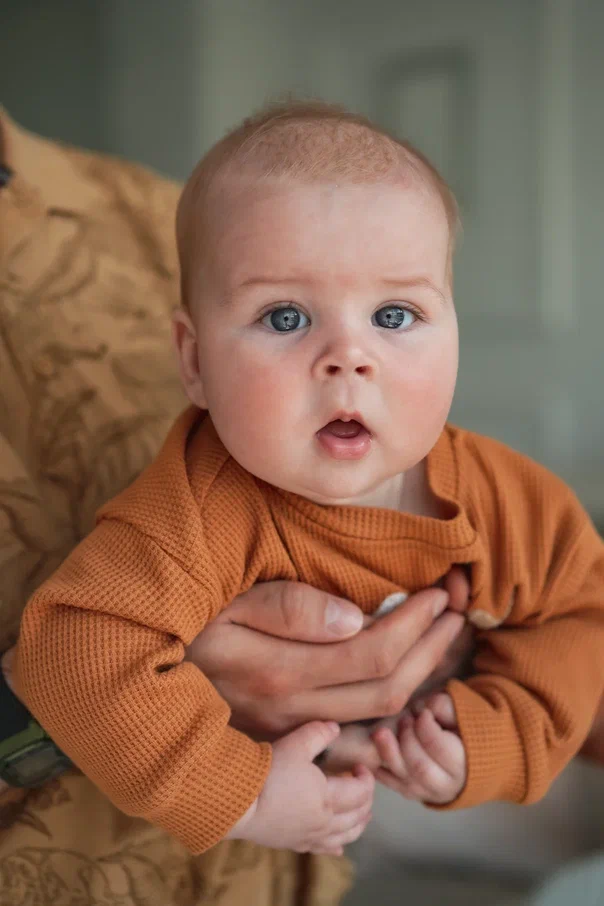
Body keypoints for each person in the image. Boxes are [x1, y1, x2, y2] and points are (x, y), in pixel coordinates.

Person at [13, 99, 604, 860]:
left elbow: (582, 613)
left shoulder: (505, 499)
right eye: (287, 317)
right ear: (193, 361)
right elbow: (71, 649)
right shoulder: (195, 509)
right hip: (280, 813)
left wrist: (495, 732)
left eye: (394, 315)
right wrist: (241, 791)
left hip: (451, 778)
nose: (349, 357)